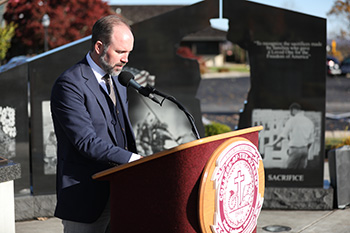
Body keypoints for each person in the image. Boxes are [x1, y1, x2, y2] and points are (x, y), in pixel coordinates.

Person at [50, 15, 142, 233]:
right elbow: (86, 141)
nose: (126, 59)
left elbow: (120, 133)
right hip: (85, 198)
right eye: (120, 52)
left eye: (129, 52)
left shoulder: (118, 80)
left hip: (120, 195)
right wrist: (133, 160)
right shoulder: (69, 84)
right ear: (99, 46)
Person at [271, 103, 315, 169]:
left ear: (293, 110)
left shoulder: (292, 120)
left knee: (290, 170)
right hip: (305, 150)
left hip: (295, 149)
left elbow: (283, 135)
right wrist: (305, 149)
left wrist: (274, 143)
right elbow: (311, 140)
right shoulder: (309, 122)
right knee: (301, 172)